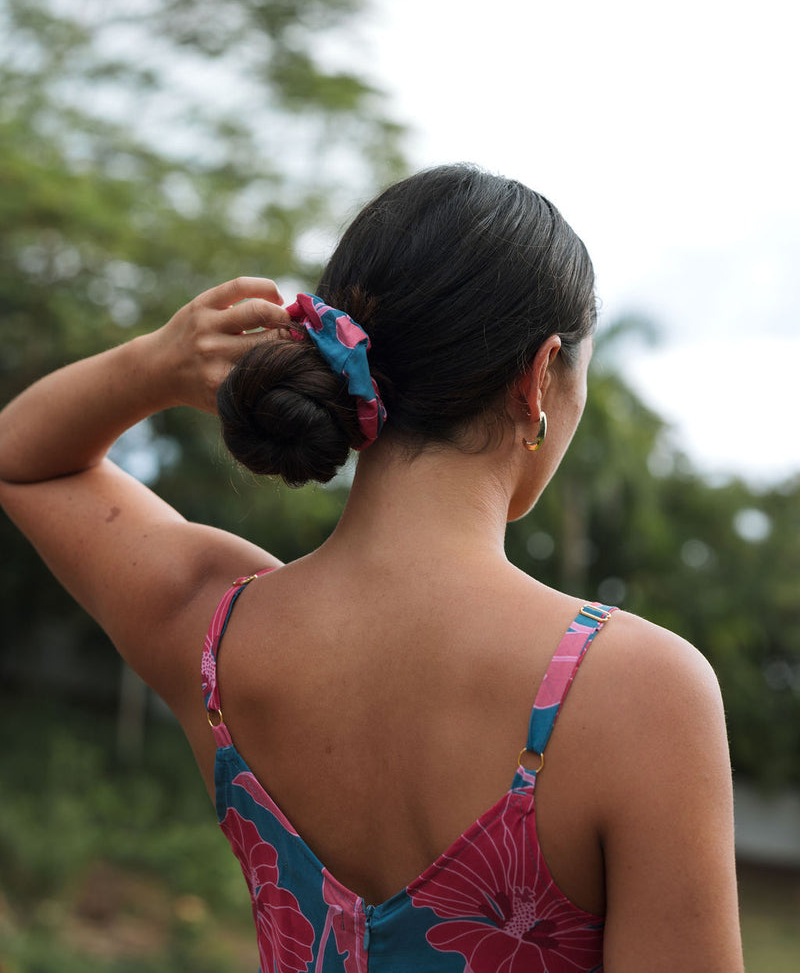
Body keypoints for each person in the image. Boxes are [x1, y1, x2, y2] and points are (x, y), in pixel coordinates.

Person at [0, 164, 742, 971]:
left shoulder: (214, 632)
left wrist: (154, 362)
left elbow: (22, 461)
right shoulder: (639, 691)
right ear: (540, 377)